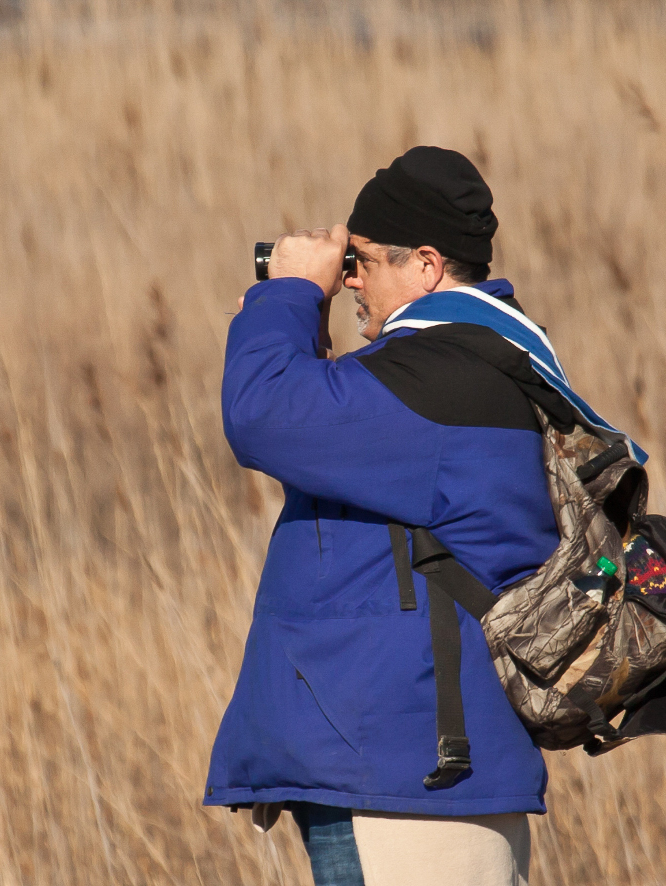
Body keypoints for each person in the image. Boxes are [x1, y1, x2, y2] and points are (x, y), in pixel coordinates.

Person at [204, 147, 557, 886]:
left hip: (408, 790)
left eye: (361, 261)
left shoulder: (443, 380)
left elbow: (263, 414)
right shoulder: (470, 368)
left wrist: (292, 294)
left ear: (427, 266)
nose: (351, 280)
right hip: (412, 776)